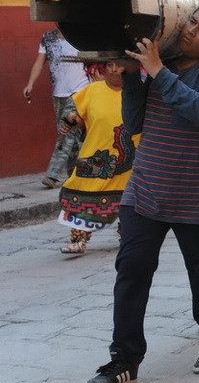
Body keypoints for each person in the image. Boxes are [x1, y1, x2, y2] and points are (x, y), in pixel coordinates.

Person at [84, 0, 199, 383]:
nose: (190, 30)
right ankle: (125, 359)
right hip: (146, 189)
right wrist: (134, 77)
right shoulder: (162, 60)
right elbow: (136, 122)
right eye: (191, 21)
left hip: (197, 192)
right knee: (132, 270)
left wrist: (156, 72)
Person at [56, 60, 139, 254]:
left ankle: (126, 238)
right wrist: (70, 121)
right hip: (95, 157)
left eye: (119, 65)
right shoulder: (92, 91)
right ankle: (79, 239)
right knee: (83, 192)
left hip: (131, 160)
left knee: (128, 201)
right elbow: (76, 116)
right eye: (110, 65)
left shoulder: (137, 92)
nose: (114, 69)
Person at [23, 28, 89, 188]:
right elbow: (39, 63)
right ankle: (75, 174)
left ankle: (52, 174)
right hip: (58, 95)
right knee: (71, 136)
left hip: (80, 92)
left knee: (66, 130)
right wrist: (30, 83)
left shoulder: (81, 35)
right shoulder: (48, 38)